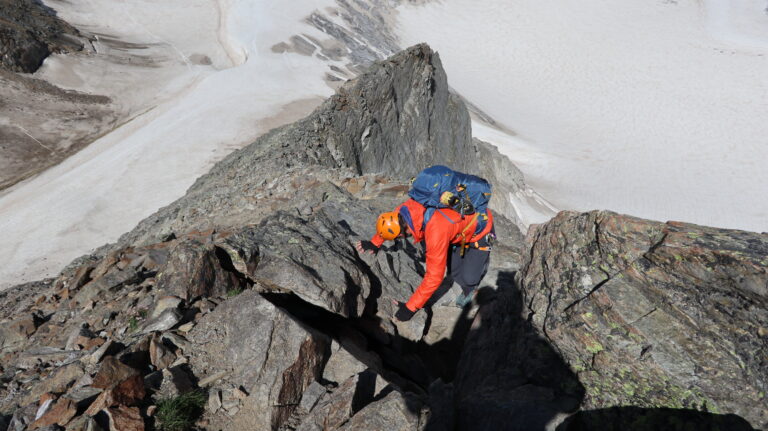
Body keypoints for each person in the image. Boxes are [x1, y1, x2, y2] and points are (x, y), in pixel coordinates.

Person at [355, 198, 494, 321]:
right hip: (456, 226)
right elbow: (390, 226)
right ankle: (455, 246)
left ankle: (469, 289)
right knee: (454, 269)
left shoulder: (436, 232)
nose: (399, 239)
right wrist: (375, 242)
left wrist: (410, 308)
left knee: (469, 278)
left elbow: (434, 277)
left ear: (405, 231)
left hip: (480, 229)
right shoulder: (404, 211)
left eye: (399, 237)